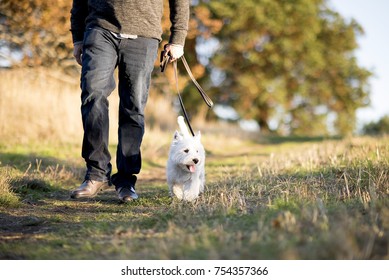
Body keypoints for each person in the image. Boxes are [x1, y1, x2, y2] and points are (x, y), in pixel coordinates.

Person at [69, 0, 189, 202]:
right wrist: (78, 38)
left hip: (144, 35)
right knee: (93, 95)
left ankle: (126, 181)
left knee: (133, 108)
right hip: (100, 28)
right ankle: (96, 174)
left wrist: (178, 38)